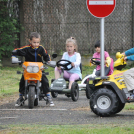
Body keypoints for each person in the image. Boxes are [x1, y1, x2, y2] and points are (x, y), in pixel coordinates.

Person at [12, 32, 54, 106]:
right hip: (28, 70)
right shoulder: (26, 48)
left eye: (38, 42)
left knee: (44, 80)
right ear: (30, 41)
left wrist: (48, 61)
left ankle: (48, 96)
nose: (36, 44)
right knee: (22, 80)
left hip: (39, 69)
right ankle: (21, 97)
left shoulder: (41, 48)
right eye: (34, 42)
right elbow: (16, 51)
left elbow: (46, 55)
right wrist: (14, 57)